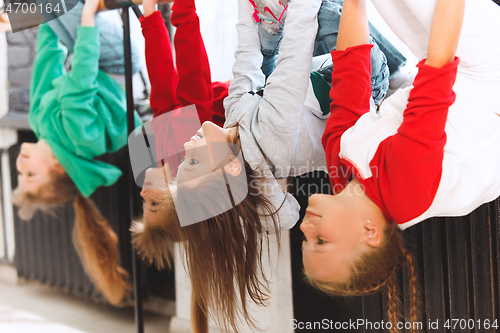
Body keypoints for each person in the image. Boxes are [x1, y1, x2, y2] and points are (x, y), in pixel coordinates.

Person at [301, 0, 500, 330]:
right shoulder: (405, 193)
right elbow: (438, 69)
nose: (306, 230)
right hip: (487, 83)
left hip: (456, 76)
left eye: (307, 241)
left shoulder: (342, 175)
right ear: (370, 232)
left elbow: (350, 75)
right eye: (321, 241)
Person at [13, 0, 141, 305]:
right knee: (42, 5)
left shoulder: (39, 123)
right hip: (115, 57)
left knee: (39, 8)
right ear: (58, 167)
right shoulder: (78, 137)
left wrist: (41, 19)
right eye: (30, 175)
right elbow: (81, 77)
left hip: (92, 51)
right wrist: (85, 16)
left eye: (20, 174)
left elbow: (47, 59)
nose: (21, 165)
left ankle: (14, 13)